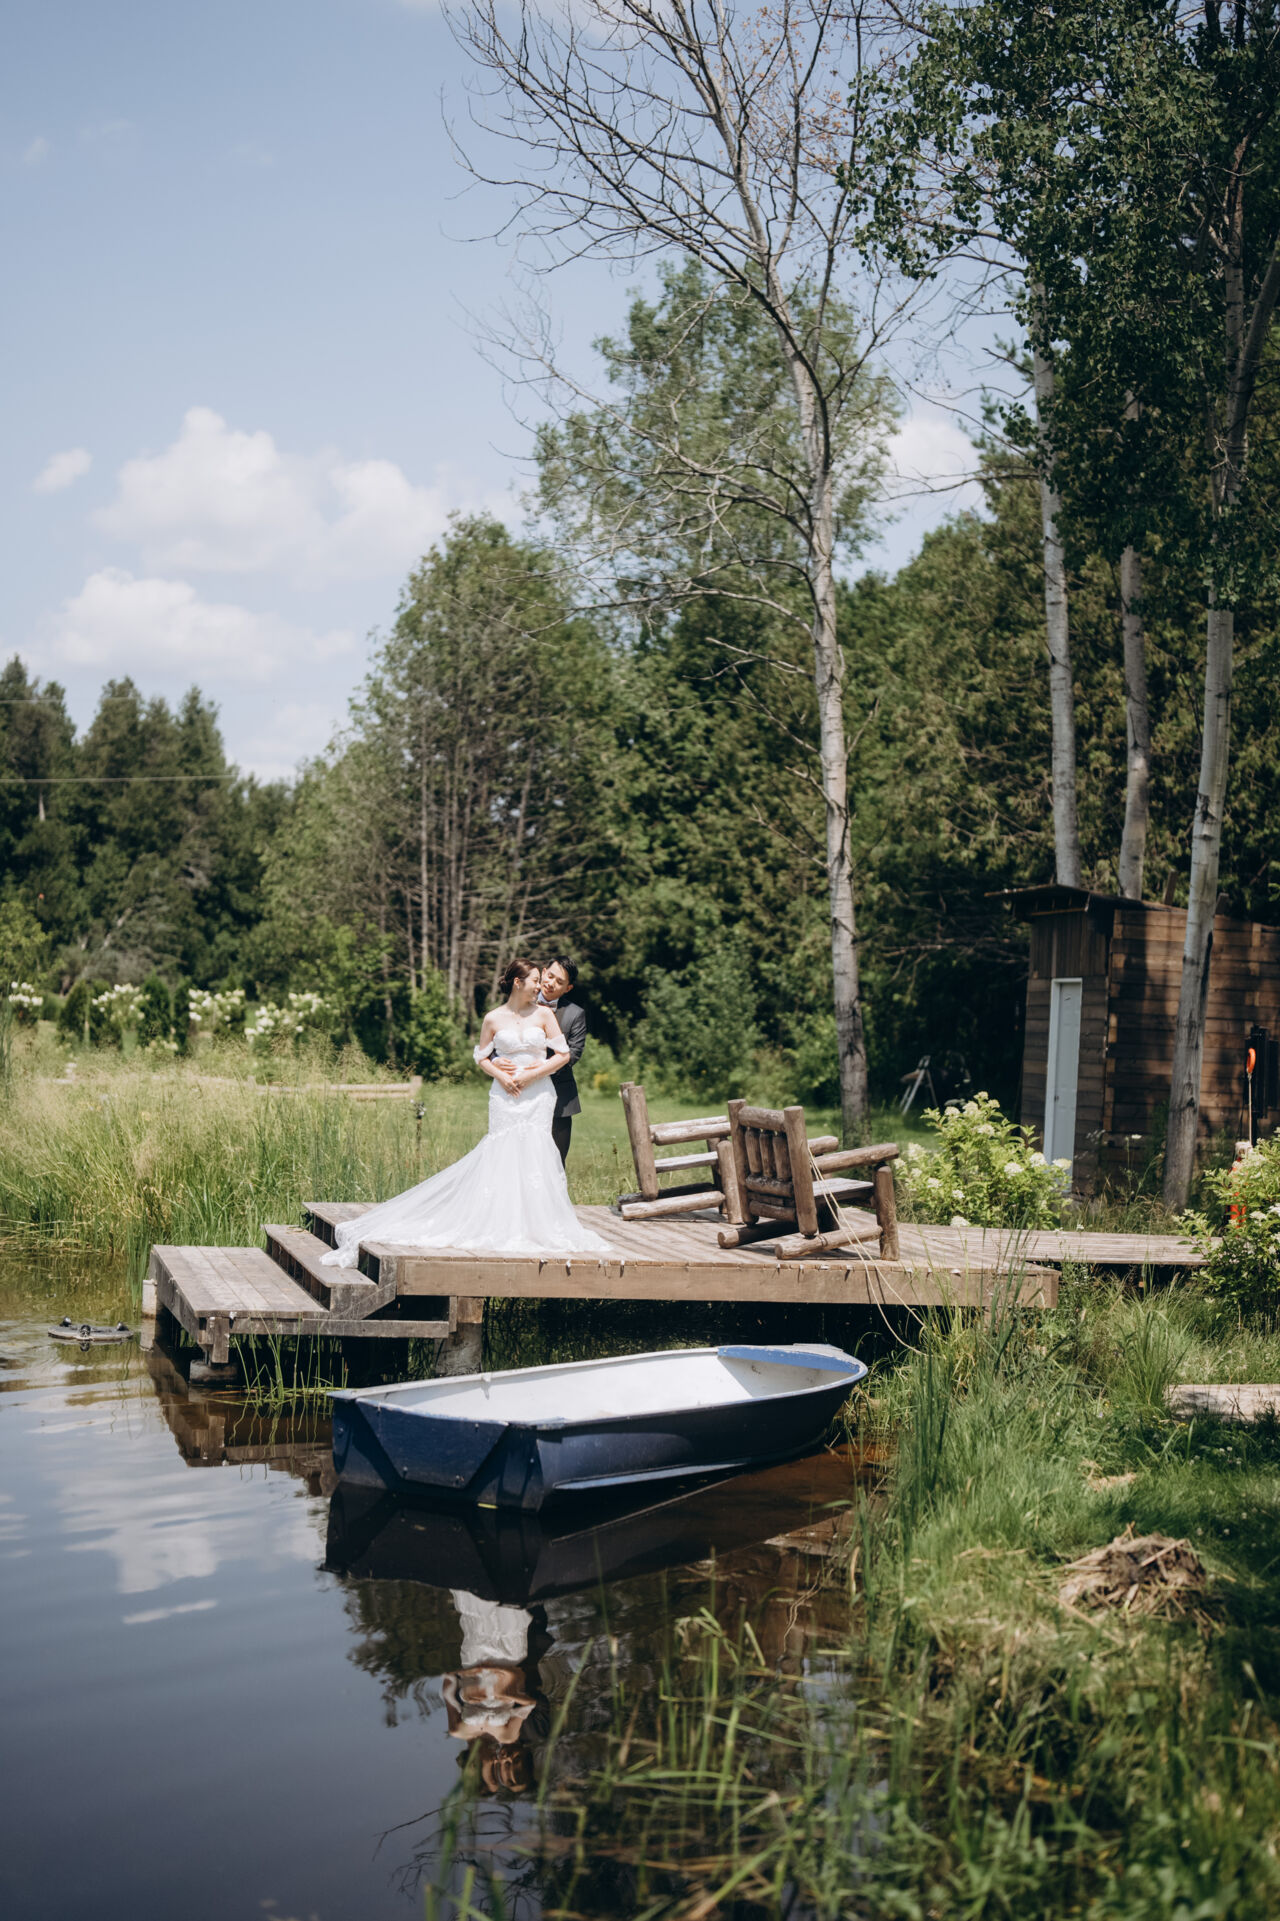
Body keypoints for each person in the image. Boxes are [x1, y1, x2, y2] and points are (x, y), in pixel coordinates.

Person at [321, 957, 612, 1267]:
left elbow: (566, 1054)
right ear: (519, 982)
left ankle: (539, 1224)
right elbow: (482, 1055)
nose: (542, 985)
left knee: (538, 1155)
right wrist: (500, 1073)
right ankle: (499, 1221)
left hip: (539, 1094)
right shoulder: (493, 1018)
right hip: (505, 1095)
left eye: (551, 980)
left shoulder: (546, 1014)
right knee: (501, 1153)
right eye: (538, 979)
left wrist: (530, 1074)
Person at [491, 955, 584, 1165]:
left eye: (559, 982)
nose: (551, 983)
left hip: (559, 1095)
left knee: (555, 1162)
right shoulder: (518, 1000)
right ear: (543, 972)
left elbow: (574, 1053)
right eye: (550, 976)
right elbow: (495, 1039)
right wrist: (496, 1060)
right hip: (516, 1093)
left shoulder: (575, 1014)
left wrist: (541, 1069)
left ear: (568, 988)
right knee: (514, 1160)